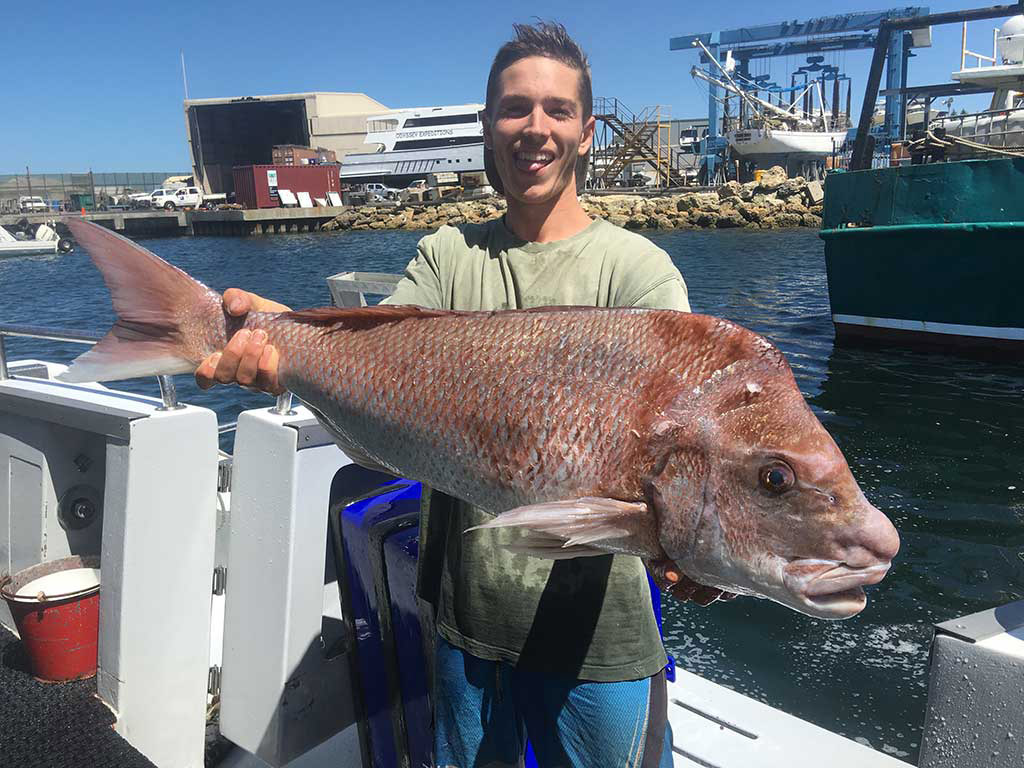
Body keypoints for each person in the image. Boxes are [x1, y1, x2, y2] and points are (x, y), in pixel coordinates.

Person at [196, 21, 731, 767]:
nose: (534, 129)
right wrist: (284, 350)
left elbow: (684, 446)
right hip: (464, 625)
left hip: (599, 640)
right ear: (487, 125)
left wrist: (695, 545)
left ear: (587, 130)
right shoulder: (448, 255)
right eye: (515, 108)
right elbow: (373, 360)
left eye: (557, 110)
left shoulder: (638, 275)